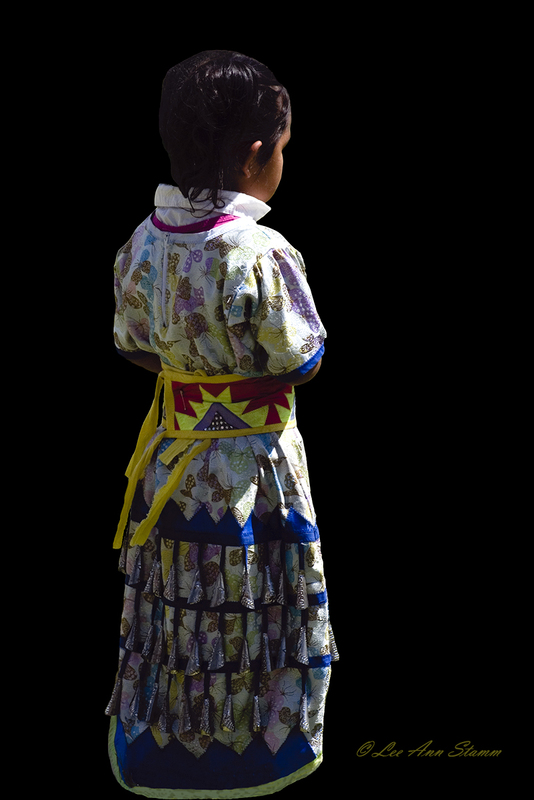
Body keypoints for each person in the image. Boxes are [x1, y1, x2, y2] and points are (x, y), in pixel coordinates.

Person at [106, 50, 338, 798]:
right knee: (251, 593)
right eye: (285, 147)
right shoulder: (261, 252)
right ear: (256, 153)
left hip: (176, 468)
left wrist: (193, 378)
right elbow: (302, 358)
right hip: (251, 474)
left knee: (180, 607)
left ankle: (165, 751)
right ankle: (260, 756)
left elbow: (133, 346)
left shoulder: (141, 244)